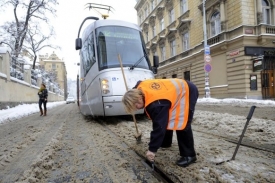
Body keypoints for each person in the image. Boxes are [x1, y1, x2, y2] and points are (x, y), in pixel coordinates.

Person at [122, 78, 199, 167]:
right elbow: (138, 83)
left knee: (182, 122)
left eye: (136, 106)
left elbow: (159, 127)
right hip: (172, 92)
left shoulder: (155, 104)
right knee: (166, 117)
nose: (136, 109)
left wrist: (152, 150)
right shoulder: (138, 88)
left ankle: (189, 155)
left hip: (187, 91)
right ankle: (166, 142)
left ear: (139, 98)